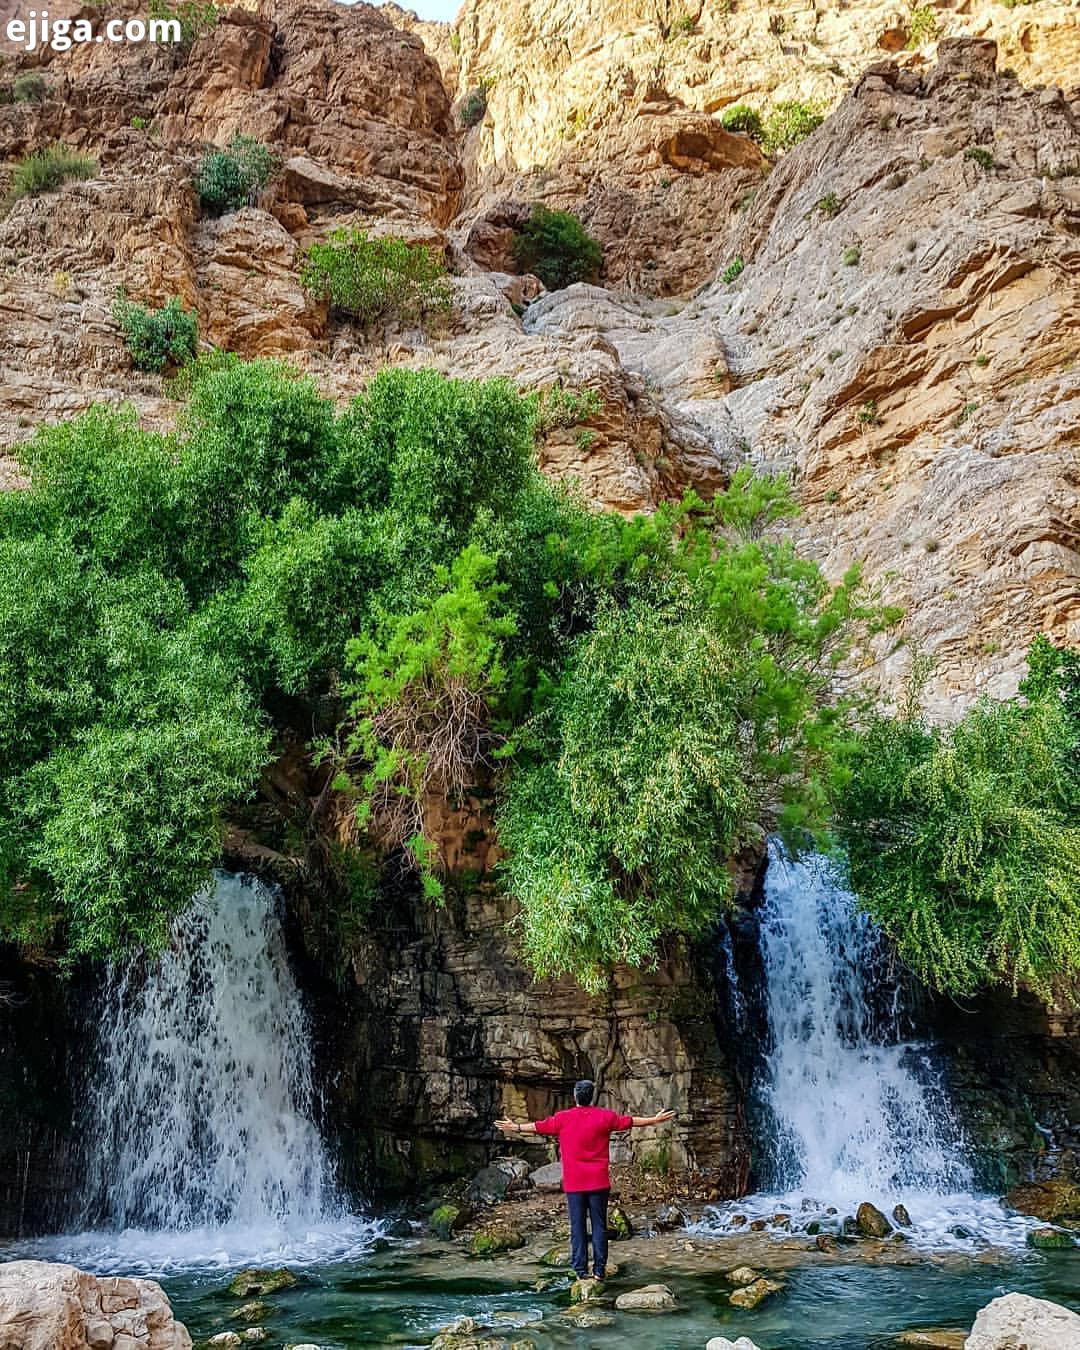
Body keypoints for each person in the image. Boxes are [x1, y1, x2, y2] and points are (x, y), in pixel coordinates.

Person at [495, 1080, 676, 1280]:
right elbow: (630, 1121)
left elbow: (538, 1127)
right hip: (598, 1182)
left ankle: (581, 1272)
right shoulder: (605, 1117)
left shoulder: (563, 1118)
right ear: (592, 1096)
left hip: (574, 1184)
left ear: (575, 1096)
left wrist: (515, 1126)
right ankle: (599, 1271)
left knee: (578, 1227)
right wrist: (654, 1120)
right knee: (599, 1226)